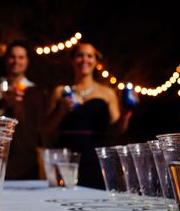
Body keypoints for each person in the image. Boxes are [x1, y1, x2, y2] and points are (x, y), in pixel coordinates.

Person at [42, 42, 133, 189]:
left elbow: (116, 131)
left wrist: (126, 112)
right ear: (72, 60)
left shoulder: (107, 93)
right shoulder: (60, 92)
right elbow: (45, 130)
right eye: (80, 55)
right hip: (67, 158)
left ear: (96, 61)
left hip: (96, 158)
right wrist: (61, 111)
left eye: (90, 56)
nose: (85, 60)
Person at [0, 41, 45, 180]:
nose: (16, 61)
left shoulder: (35, 92)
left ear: (27, 61)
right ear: (6, 59)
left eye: (21, 57)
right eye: (12, 57)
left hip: (27, 163)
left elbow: (40, 128)